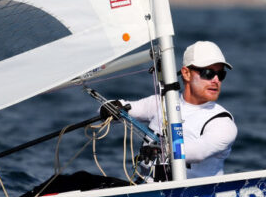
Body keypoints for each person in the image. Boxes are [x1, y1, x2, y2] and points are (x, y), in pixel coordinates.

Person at [101, 41, 237, 180]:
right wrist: (109, 107)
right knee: (81, 179)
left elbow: (197, 152)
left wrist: (161, 149)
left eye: (221, 75)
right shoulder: (163, 102)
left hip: (191, 196)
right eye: (208, 73)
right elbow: (125, 107)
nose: (216, 80)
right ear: (186, 73)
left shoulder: (222, 123)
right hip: (143, 189)